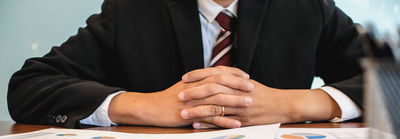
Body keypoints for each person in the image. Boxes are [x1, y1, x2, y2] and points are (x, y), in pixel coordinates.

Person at [8, 0, 364, 129]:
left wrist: (291, 103)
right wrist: (143, 106)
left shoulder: (308, 6)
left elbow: (389, 78)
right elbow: (30, 85)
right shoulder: (129, 8)